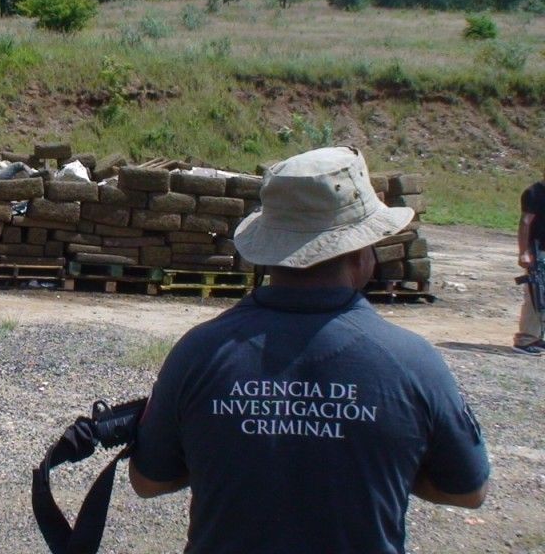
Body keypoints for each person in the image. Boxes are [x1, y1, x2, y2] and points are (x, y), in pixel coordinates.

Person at [129, 147, 490, 554]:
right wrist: (392, 466)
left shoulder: (199, 352)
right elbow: (468, 490)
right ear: (361, 252)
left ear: (268, 250)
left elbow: (148, 481)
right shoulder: (412, 363)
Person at [514, 177, 545, 354]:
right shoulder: (534, 193)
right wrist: (524, 251)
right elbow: (525, 222)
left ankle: (537, 336)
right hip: (537, 251)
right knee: (535, 295)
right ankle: (525, 340)